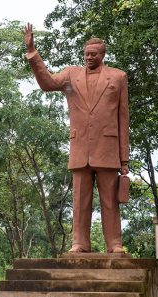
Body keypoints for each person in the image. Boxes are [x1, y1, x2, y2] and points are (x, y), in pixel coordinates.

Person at [23, 24, 129, 253]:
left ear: (103, 55)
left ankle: (114, 242)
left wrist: (124, 160)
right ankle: (80, 242)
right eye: (86, 54)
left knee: (110, 201)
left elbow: (123, 119)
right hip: (80, 147)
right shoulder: (72, 74)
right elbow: (47, 83)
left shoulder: (118, 77)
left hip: (108, 148)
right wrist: (32, 52)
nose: (89, 57)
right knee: (80, 201)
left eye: (94, 54)